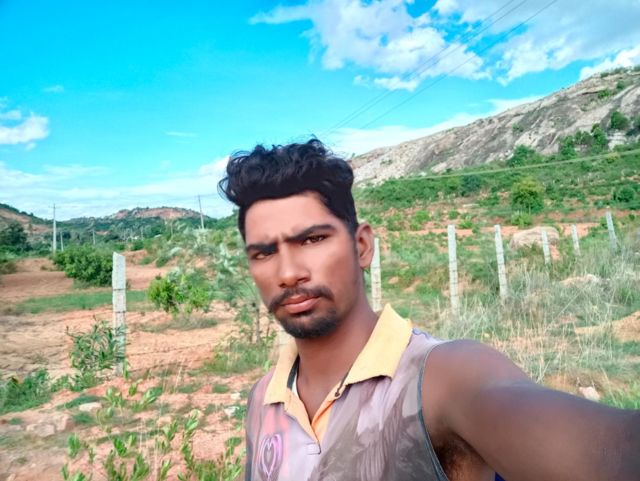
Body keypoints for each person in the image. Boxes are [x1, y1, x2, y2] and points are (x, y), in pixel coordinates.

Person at [218, 138, 639, 481]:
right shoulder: (264, 399)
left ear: (361, 246)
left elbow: (605, 452)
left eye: (312, 240)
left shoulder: (441, 377)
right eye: (264, 252)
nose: (288, 273)